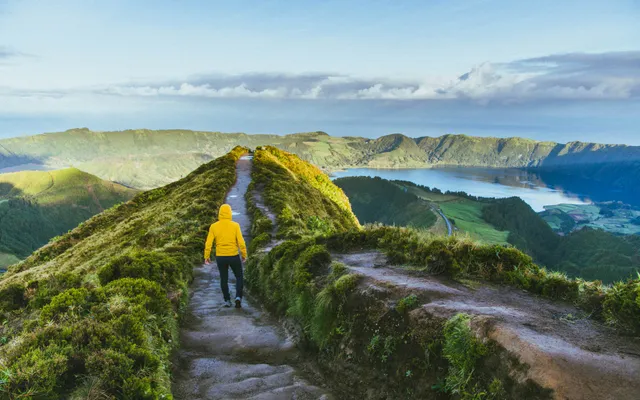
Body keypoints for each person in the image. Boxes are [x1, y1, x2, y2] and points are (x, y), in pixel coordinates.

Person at [204, 203, 248, 308]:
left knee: (224, 278)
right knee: (239, 276)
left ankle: (227, 300)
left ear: (220, 213)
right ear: (230, 213)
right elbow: (241, 242)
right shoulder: (235, 225)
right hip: (233, 255)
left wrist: (207, 256)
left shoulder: (214, 226)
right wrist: (244, 254)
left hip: (220, 257)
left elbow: (208, 243)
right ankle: (238, 297)